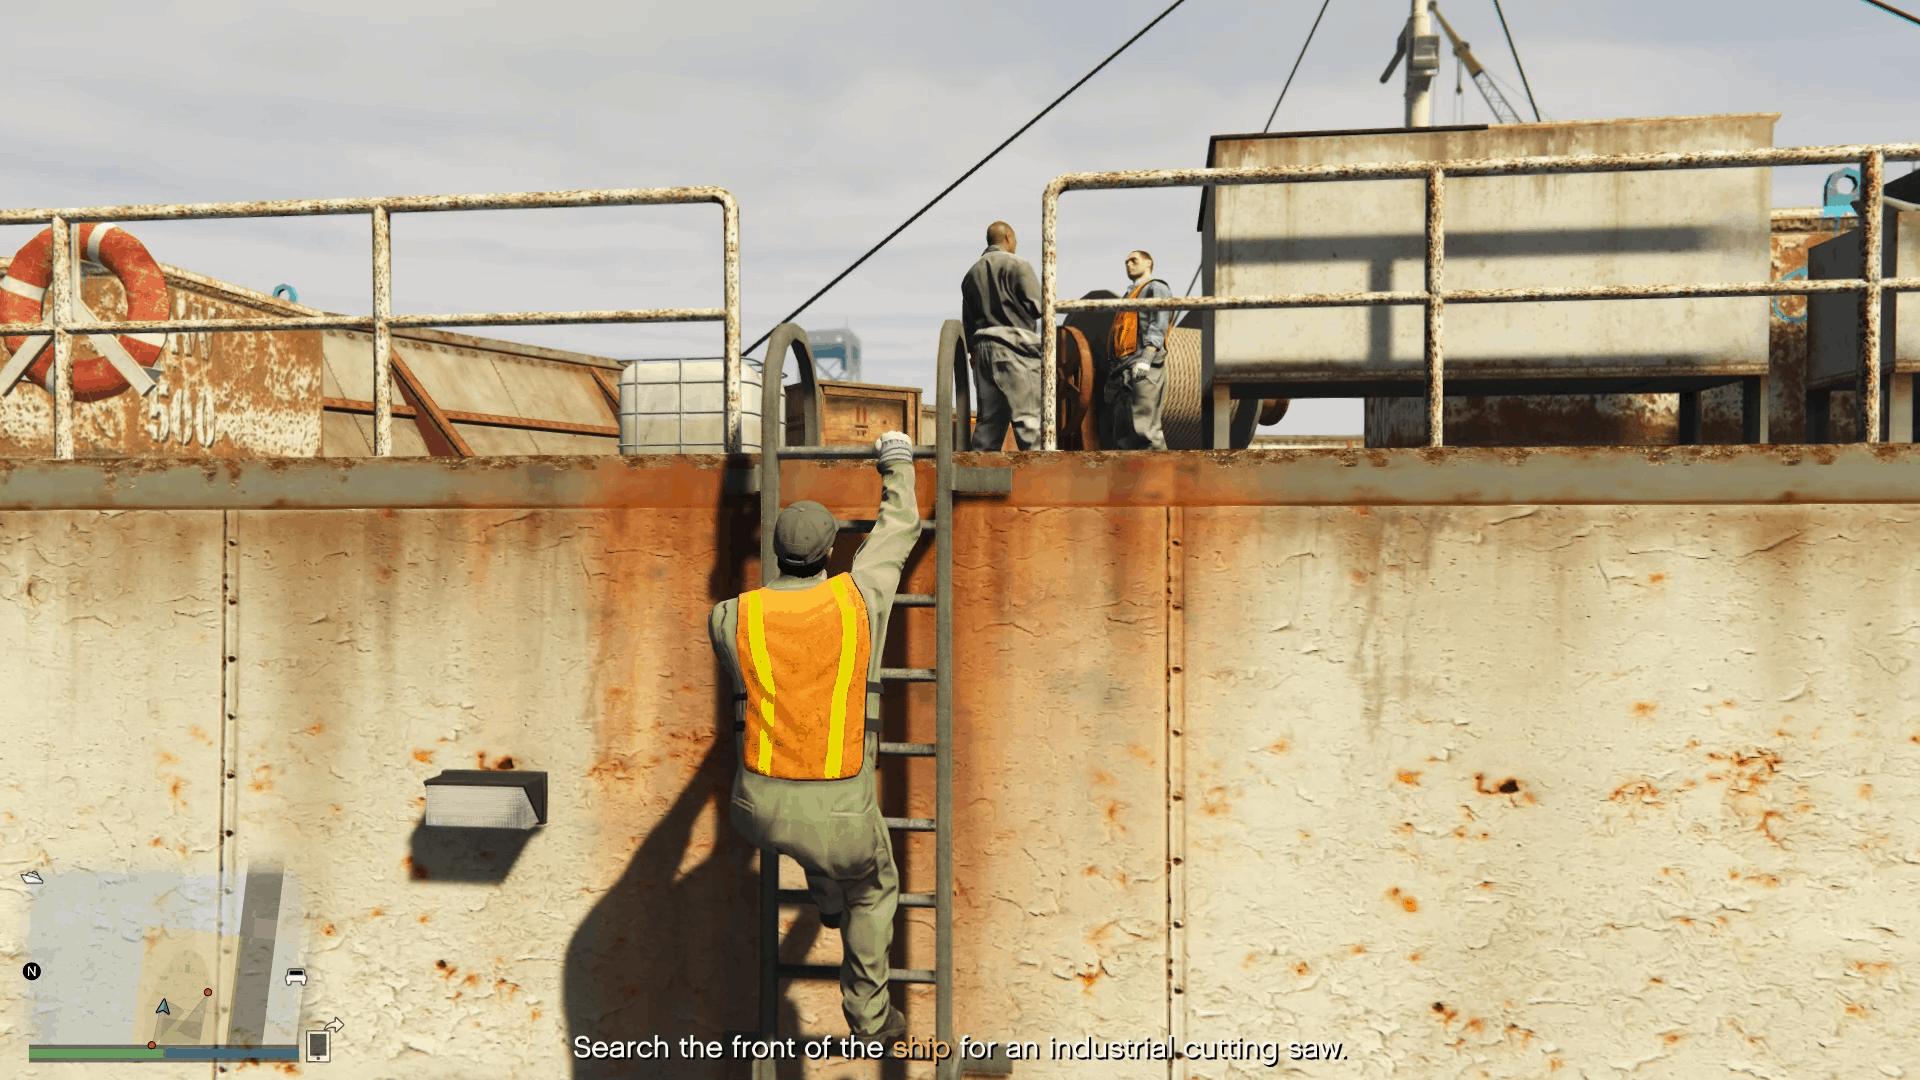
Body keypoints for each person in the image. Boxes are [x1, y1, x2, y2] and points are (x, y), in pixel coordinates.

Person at [708, 431, 921, 1044]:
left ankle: (825, 901)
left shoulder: (732, 615)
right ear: (831, 551)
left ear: (777, 554)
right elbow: (899, 527)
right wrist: (896, 460)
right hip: (838, 804)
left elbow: (741, 676)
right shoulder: (859, 599)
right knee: (874, 889)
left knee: (809, 841)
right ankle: (870, 1019)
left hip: (756, 808)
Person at [960, 221, 1045, 450]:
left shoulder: (971, 274)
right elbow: (1039, 306)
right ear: (1008, 238)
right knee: (1029, 423)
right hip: (1015, 349)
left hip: (982, 350)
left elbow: (967, 321)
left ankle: (979, 482)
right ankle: (1040, 480)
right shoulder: (1018, 265)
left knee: (988, 424)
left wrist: (973, 352)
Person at [1106, 250, 1171, 450]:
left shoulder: (1156, 288)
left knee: (1145, 428)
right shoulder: (1128, 296)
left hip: (1142, 364)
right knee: (1124, 431)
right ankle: (1130, 477)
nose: (1128, 264)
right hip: (1122, 367)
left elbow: (1159, 322)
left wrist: (1148, 356)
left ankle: (1157, 476)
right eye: (1126, 262)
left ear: (1148, 263)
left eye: (1134, 260)